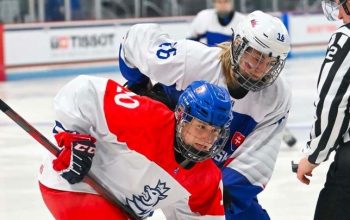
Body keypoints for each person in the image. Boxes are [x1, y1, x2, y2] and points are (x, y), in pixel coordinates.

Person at [119, 10, 291, 220]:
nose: (260, 68)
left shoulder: (276, 96)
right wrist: (138, 86)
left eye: (270, 62)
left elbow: (259, 156)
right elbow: (136, 39)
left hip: (207, 175)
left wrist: (224, 192)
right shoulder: (192, 60)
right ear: (238, 44)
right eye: (255, 56)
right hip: (159, 156)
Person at [38, 75, 232, 219]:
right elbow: (83, 90)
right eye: (201, 127)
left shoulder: (207, 179)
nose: (208, 138)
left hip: (116, 210)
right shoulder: (147, 118)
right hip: (72, 184)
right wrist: (73, 137)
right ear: (182, 117)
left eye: (215, 131)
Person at [296, 1, 350, 219]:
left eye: (341, 5)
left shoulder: (346, 37)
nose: (339, 15)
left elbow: (333, 102)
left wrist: (314, 154)